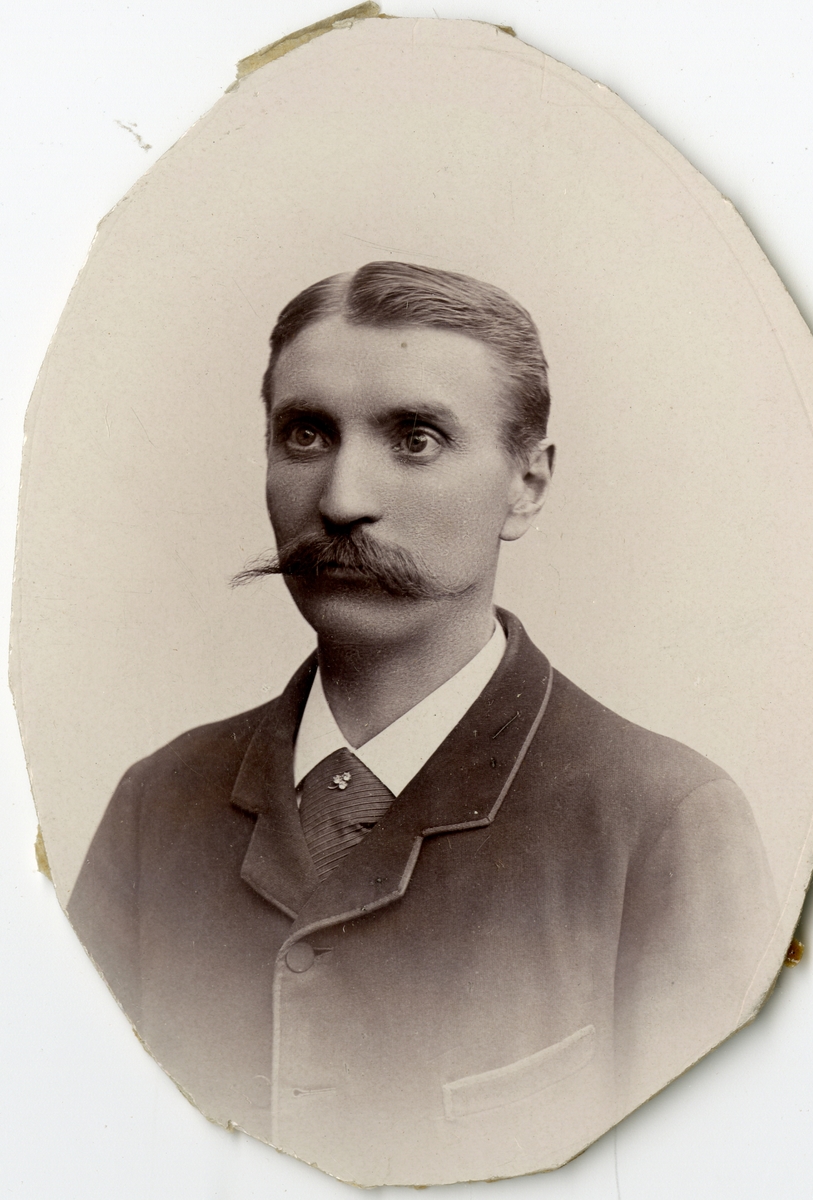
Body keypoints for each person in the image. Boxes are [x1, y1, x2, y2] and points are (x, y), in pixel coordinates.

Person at [68, 261, 777, 1186]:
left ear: (527, 483)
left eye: (414, 439)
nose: (340, 499)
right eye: (306, 434)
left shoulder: (661, 821)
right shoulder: (158, 803)